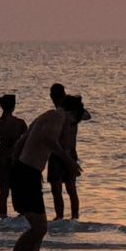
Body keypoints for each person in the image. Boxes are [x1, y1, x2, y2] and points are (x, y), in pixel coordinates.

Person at [1, 94, 86, 251]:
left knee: (39, 229)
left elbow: (20, 144)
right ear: (72, 113)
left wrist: (24, 169)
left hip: (26, 173)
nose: (70, 128)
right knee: (39, 228)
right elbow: (49, 140)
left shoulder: (43, 117)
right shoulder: (59, 116)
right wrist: (69, 162)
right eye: (74, 123)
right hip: (26, 174)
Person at [47, 83, 85, 220]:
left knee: (59, 190)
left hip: (59, 153)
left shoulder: (63, 115)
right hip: (69, 152)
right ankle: (73, 218)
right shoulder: (73, 115)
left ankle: (61, 217)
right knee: (70, 189)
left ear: (52, 96)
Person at [0, 94, 28, 218]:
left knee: (3, 192)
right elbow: (27, 142)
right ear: (13, 107)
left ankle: (3, 218)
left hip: (2, 160)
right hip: (16, 160)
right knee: (19, 191)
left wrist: (4, 144)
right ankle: (22, 218)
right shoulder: (20, 123)